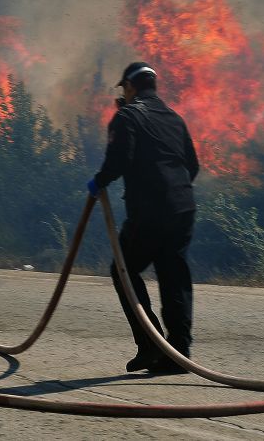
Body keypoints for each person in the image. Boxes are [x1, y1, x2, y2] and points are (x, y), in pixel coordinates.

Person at [88, 62, 200, 374]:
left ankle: (151, 345)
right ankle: (179, 353)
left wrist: (99, 181)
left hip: (150, 212)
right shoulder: (174, 118)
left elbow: (119, 159)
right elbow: (192, 165)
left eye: (124, 88)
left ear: (131, 87)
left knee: (123, 270)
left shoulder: (128, 116)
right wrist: (172, 190)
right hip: (183, 208)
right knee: (173, 275)